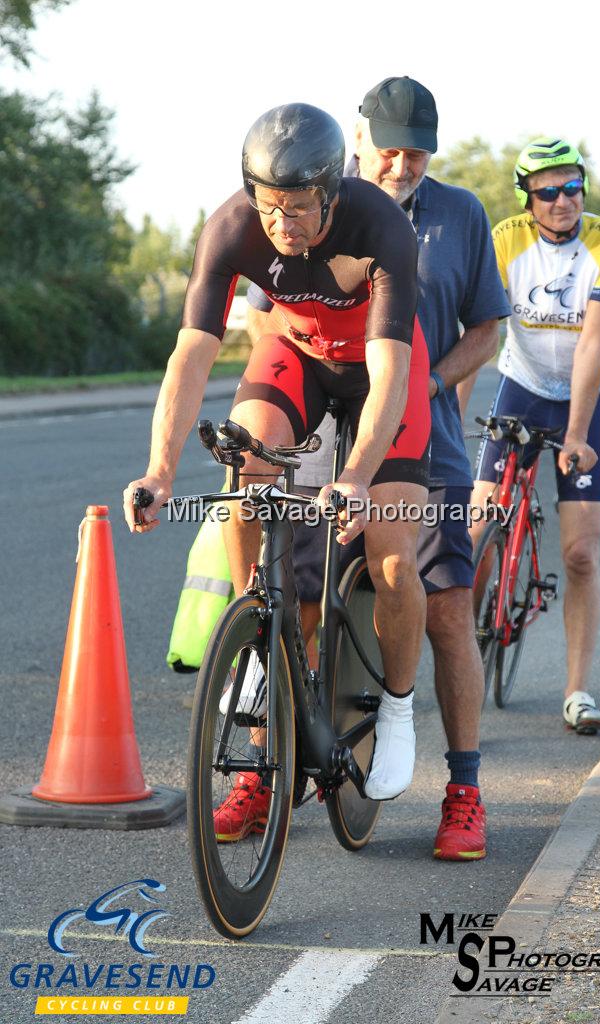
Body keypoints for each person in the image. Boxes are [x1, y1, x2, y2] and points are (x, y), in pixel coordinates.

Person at [123, 102, 431, 814]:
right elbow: (190, 356)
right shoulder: (231, 225)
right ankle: (259, 644)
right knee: (245, 466)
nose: (281, 225)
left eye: (297, 209)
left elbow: (388, 376)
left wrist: (354, 478)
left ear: (331, 194)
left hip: (378, 371)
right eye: (269, 208)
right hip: (297, 355)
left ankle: (397, 711)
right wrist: (160, 471)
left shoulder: (379, 227)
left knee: (389, 555)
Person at [245, 76, 510, 861]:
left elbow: (486, 328)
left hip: (426, 437)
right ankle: (258, 773)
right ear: (358, 143)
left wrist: (426, 384)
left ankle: (463, 791)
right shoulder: (310, 198)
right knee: (291, 595)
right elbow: (264, 315)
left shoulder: (458, 213)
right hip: (325, 432)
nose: (402, 162)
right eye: (389, 146)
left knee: (445, 609)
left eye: (417, 149)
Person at [470, 137, 600, 735]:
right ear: (528, 197)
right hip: (522, 385)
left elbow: (594, 342)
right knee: (475, 530)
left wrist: (574, 435)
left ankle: (577, 691)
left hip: (584, 398)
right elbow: (480, 331)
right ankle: (460, 654)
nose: (563, 200)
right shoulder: (504, 240)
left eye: (573, 188)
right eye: (549, 192)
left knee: (580, 555)